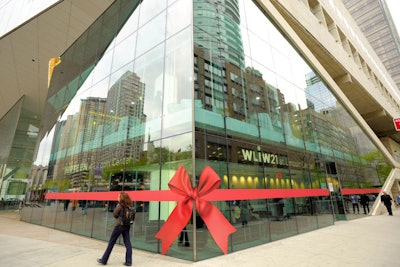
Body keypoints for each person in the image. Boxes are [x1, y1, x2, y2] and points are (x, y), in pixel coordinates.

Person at [97, 191, 133, 266]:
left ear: (121, 198)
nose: (117, 197)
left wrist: (119, 219)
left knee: (111, 242)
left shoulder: (120, 205)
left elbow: (114, 214)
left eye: (119, 196)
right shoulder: (129, 205)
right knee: (128, 243)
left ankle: (104, 260)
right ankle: (129, 261)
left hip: (119, 226)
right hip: (127, 226)